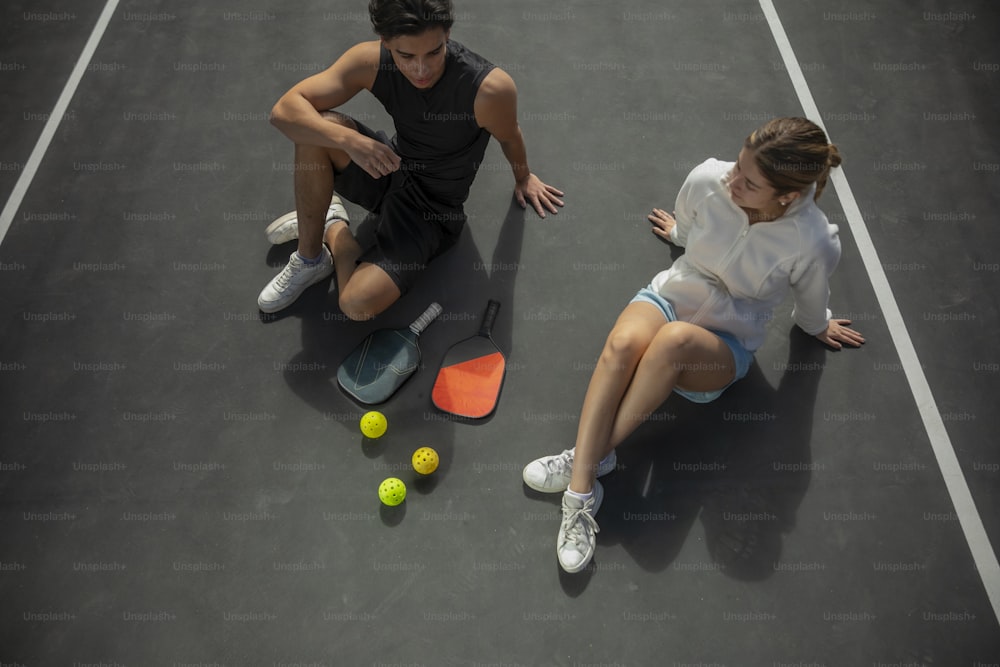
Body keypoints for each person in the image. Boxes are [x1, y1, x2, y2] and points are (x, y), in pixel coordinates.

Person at [521, 117, 866, 573]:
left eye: (748, 180)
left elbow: (810, 298)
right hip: (671, 296)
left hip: (721, 347)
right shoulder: (708, 178)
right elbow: (687, 224)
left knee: (674, 341)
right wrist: (680, 237)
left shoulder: (814, 241)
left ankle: (584, 458)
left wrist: (817, 324)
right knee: (623, 343)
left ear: (787, 196)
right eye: (737, 165)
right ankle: (583, 487)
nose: (731, 180)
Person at [257, 0, 563, 316]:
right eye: (406, 56)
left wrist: (524, 177)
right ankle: (310, 259)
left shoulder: (489, 89)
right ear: (386, 43)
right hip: (389, 165)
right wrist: (348, 140)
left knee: (354, 305)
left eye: (434, 52)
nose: (422, 69)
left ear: (448, 34)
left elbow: (510, 134)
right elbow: (283, 113)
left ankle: (335, 228)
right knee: (316, 129)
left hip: (431, 213)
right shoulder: (370, 60)